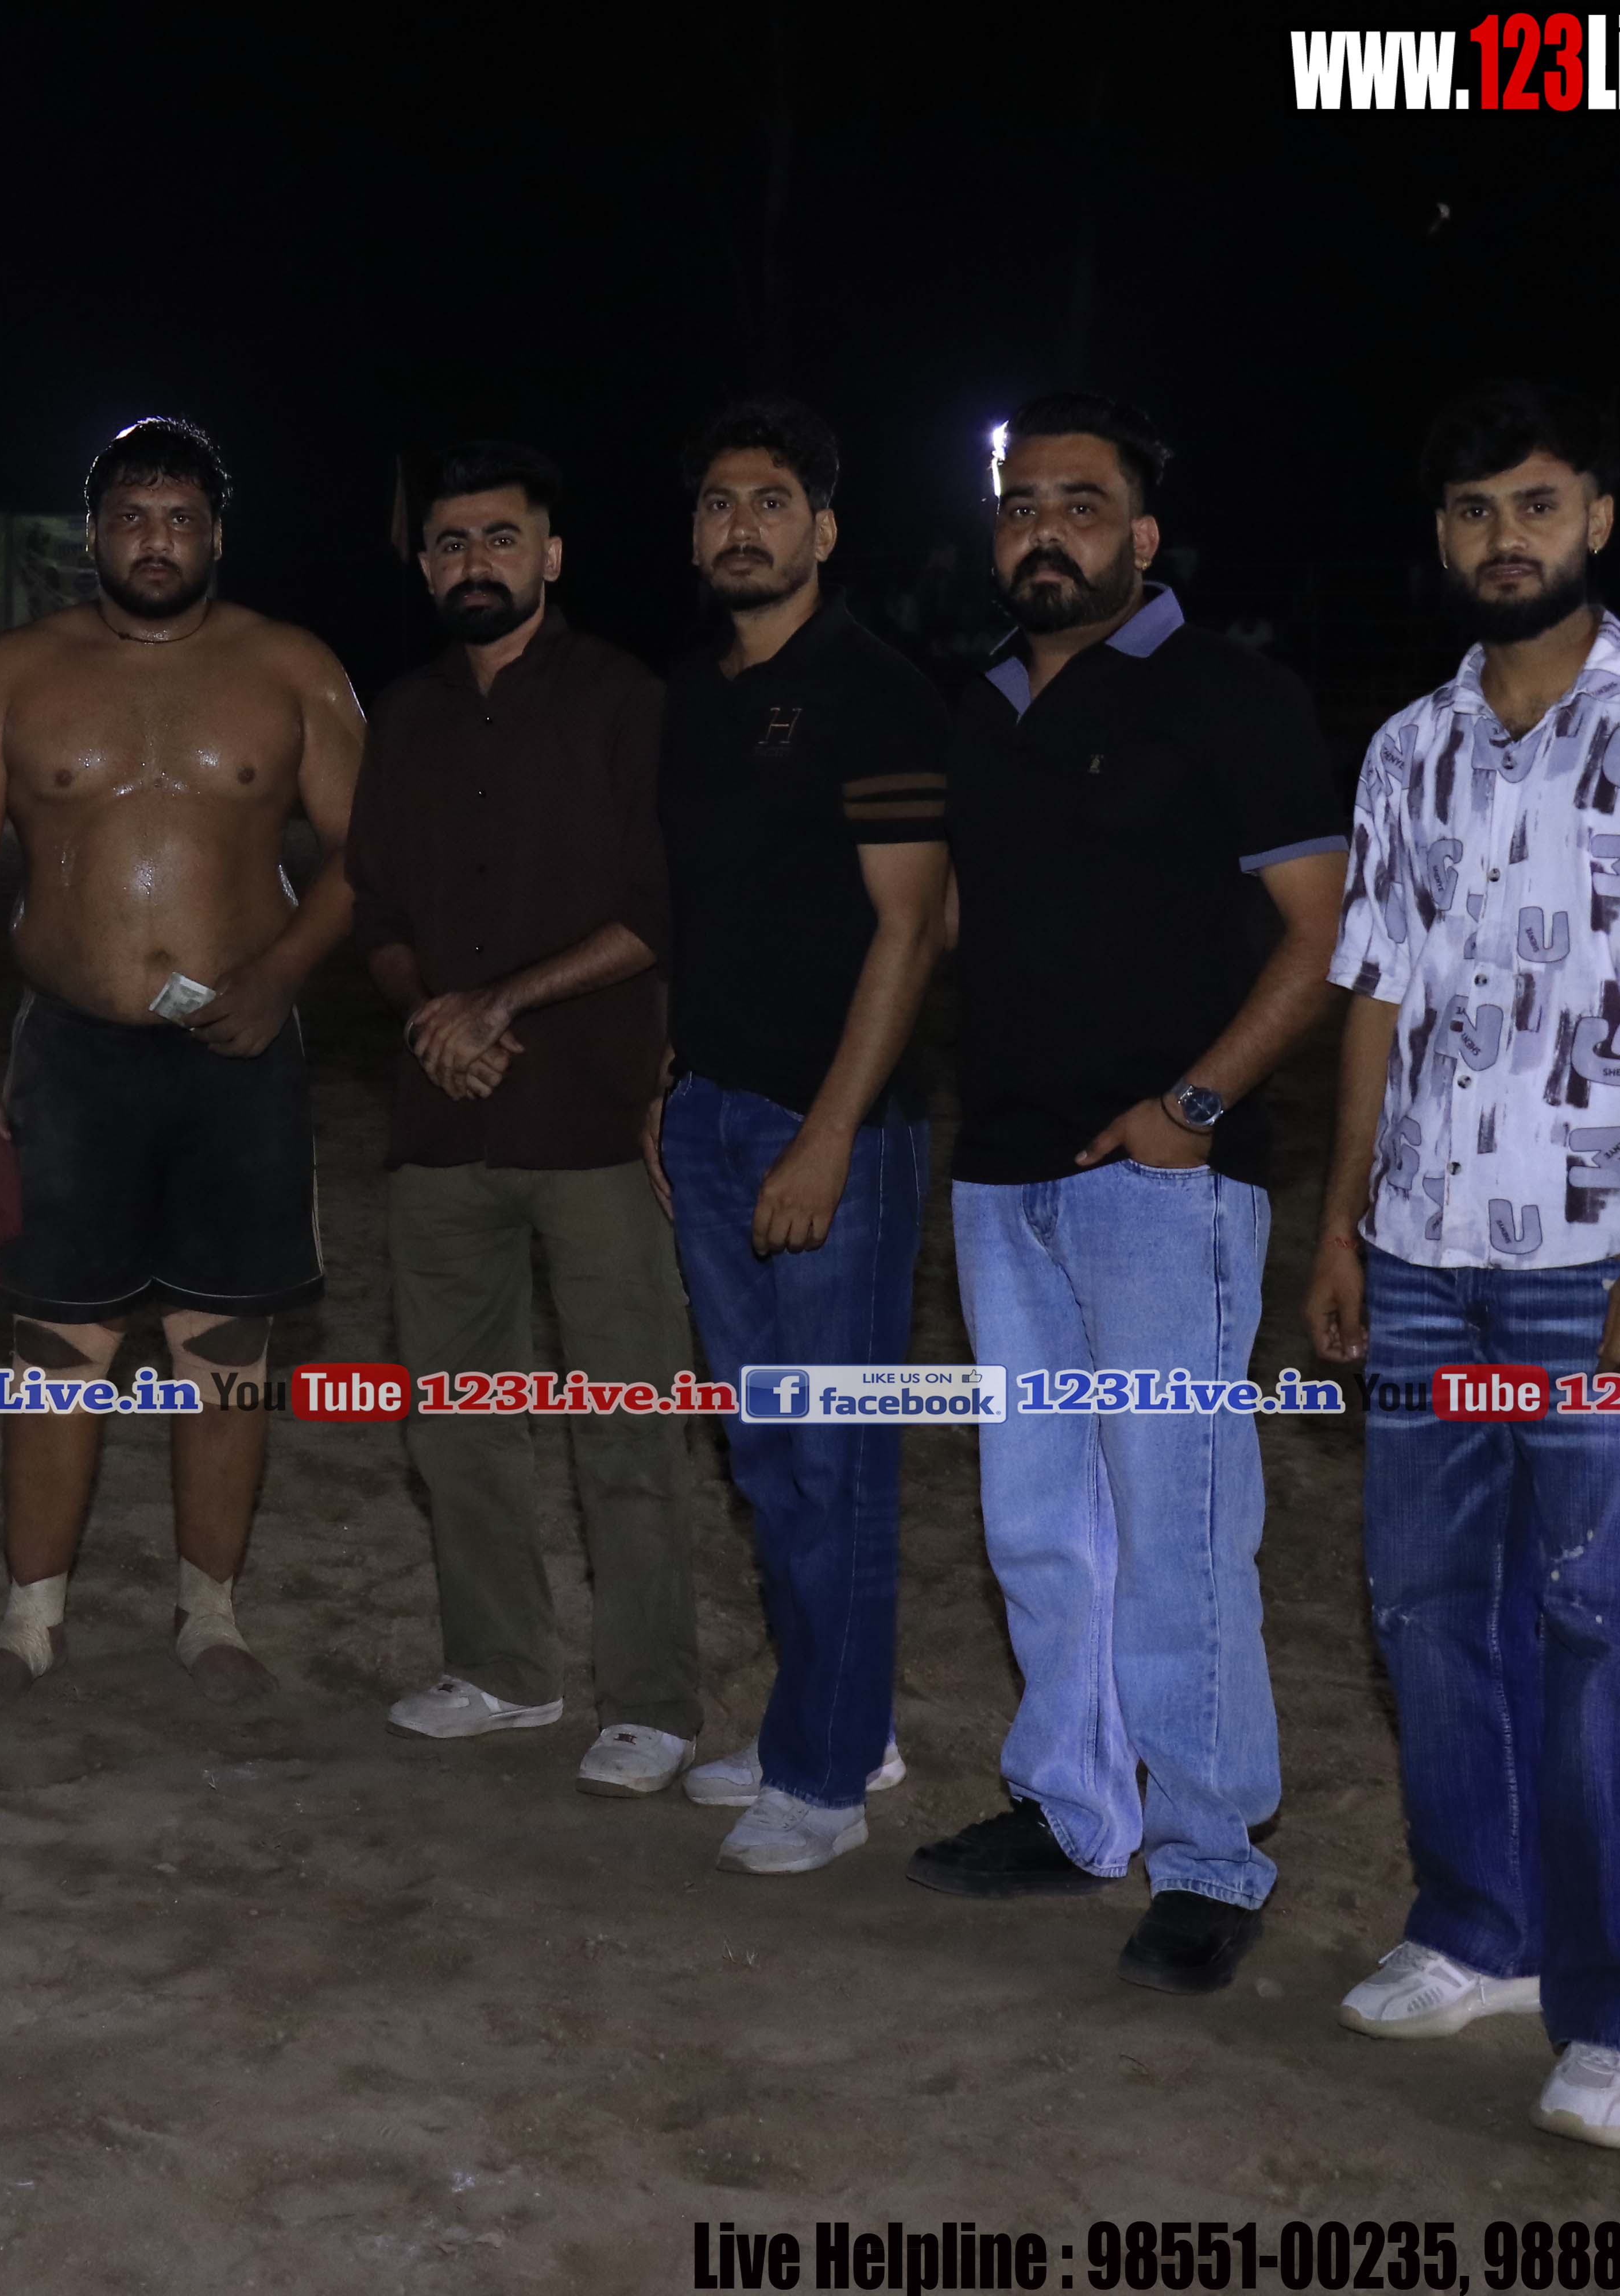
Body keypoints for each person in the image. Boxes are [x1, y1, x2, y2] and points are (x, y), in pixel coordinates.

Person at [1304, 383, 1620, 2150]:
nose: (1499, 537)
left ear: (1596, 516)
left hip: (1598, 1262)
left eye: (1532, 503)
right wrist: (1341, 1220)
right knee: (1427, 1608)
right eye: (1469, 509)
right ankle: (1477, 1927)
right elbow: (1374, 994)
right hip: (1421, 1252)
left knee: (1603, 1627)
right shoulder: (1405, 748)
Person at [911, 394, 1347, 1995]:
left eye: (1080, 505)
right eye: (1022, 505)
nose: (1045, 530)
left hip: (1170, 1183)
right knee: (1041, 1523)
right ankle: (1074, 1806)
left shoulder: (1231, 695)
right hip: (1003, 1171)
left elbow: (1325, 929)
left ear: (1144, 538)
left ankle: (1211, 1855)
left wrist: (1195, 1107)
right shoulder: (983, 708)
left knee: (1182, 1525)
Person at [0, 417, 365, 1706]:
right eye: (130, 518)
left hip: (241, 1055)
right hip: (71, 1051)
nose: (154, 541)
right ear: (93, 535)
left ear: (216, 534)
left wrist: (279, 976)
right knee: (59, 1342)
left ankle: (211, 1615)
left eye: (179, 519)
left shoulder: (290, 667)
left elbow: (371, 854)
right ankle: (30, 1617)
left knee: (224, 1340)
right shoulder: (12, 674)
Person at [346, 441, 702, 1796]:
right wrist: (438, 1014)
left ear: (552, 555)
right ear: (423, 564)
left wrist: (502, 1002)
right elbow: (376, 911)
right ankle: (500, 1667)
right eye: (449, 541)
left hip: (597, 1117)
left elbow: (660, 908)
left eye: (500, 537)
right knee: (458, 1419)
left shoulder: (628, 701)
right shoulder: (406, 714)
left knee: (627, 1419)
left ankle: (653, 1700)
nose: (473, 561)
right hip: (442, 1123)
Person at [647, 399, 948, 1872]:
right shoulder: (693, 695)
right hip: (712, 1110)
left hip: (835, 1128)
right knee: (766, 1449)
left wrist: (828, 1133)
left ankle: (825, 1778)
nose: (741, 525)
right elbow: (701, 910)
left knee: (838, 1459)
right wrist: (672, 1078)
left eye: (771, 501)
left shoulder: (872, 689)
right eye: (718, 502)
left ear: (824, 530)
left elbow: (915, 925)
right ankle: (831, 1724)